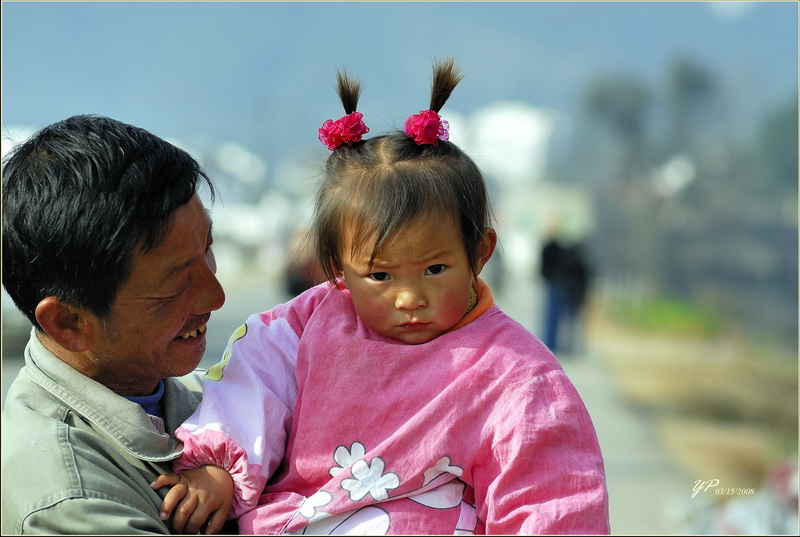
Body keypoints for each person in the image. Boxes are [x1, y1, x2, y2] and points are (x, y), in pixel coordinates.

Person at [152, 58, 610, 535]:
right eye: (380, 275)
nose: (409, 297)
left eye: (435, 269)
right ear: (336, 270)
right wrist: (219, 470)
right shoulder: (304, 327)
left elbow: (551, 500)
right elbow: (251, 389)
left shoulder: (515, 374)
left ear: (480, 252)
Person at [1, 114, 227, 534]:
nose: (216, 297)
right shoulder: (71, 499)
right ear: (69, 322)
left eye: (208, 249)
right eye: (176, 279)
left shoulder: (213, 394)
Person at [540, 227, 591, 355]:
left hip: (559, 287)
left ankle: (552, 344)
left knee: (554, 319)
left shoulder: (556, 250)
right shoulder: (575, 258)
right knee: (568, 321)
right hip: (565, 289)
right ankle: (565, 347)